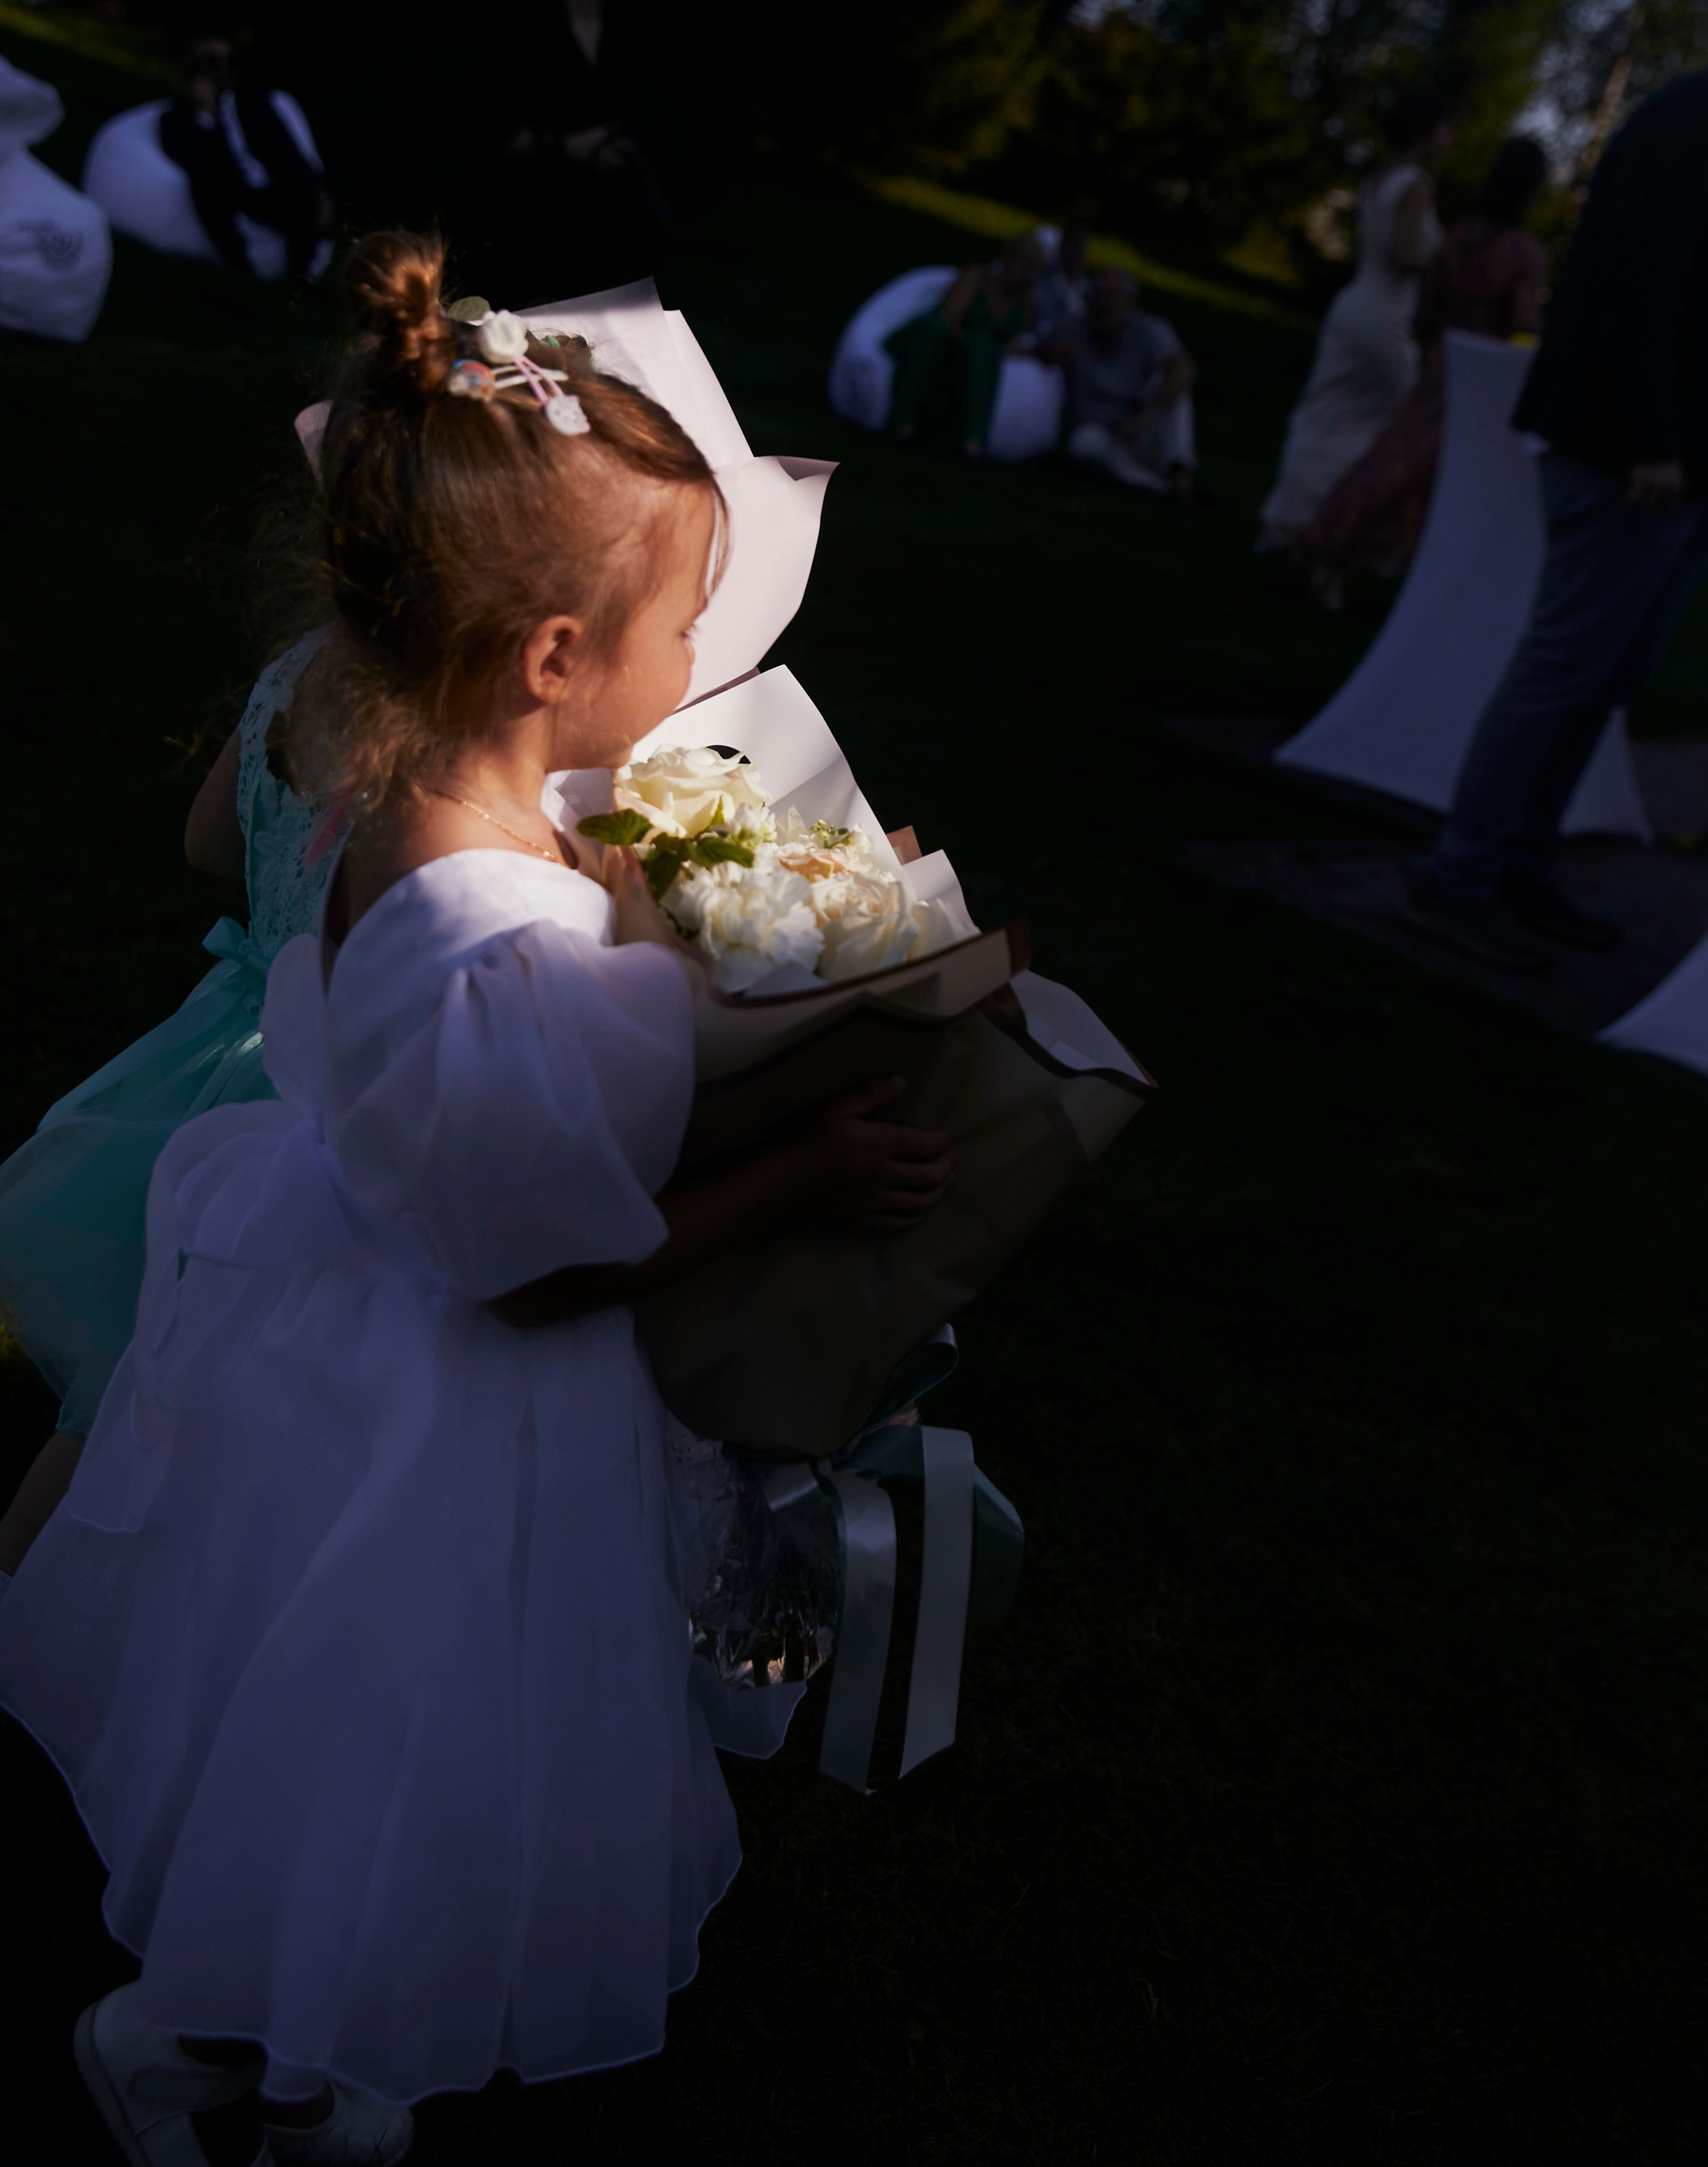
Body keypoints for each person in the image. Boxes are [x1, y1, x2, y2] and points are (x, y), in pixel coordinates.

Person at [0, 234, 955, 2162]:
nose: (703, 664)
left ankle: (324, 2055)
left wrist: (796, 952)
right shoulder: (487, 930)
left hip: (342, 1329)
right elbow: (540, 1275)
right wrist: (802, 1167)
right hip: (448, 1416)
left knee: (358, 1747)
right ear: (553, 658)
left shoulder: (443, 807)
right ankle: (224, 2045)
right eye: (684, 624)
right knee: (393, 1748)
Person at [0, 618, 339, 1581]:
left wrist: (282, 890)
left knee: (146, 1352)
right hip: (316, 1069)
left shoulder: (299, 663)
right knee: (201, 1364)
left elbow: (204, 844)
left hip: (232, 1027)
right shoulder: (457, 705)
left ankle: (34, 1565)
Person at [1408, 74, 1708, 969]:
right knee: (1565, 668)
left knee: (1612, 674)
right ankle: (1459, 874)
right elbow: (1635, 287)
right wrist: (1652, 440)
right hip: (1632, 459)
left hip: (1684, 469)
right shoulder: (1688, 121)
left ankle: (1521, 863)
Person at [1300, 137, 1550, 604]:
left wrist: (1432, 343)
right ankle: (1342, 546)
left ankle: (1351, 549)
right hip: (1485, 377)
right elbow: (1522, 324)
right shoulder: (1523, 255)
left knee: (1399, 458)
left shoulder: (1460, 237)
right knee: (1418, 472)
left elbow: (1428, 305)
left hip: (1442, 360)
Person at [1259, 95, 1452, 548]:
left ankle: (1286, 521)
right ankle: (1338, 530)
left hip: (1352, 307)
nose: (1448, 142)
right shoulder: (1416, 184)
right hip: (1388, 317)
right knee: (1386, 425)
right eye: (1445, 131)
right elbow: (1403, 255)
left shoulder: (1375, 180)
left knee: (1326, 413)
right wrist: (1445, 272)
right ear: (1427, 134)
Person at [484, 0, 667, 304]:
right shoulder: (522, 28)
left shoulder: (630, 33)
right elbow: (484, 129)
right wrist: (568, 147)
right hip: (528, 238)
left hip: (607, 243)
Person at [157, 37, 334, 282]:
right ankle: (241, 267)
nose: (220, 69)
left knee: (299, 187)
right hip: (231, 188)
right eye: (211, 62)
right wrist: (207, 118)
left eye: (226, 61)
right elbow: (193, 159)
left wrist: (319, 191)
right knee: (207, 183)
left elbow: (288, 150)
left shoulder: (256, 105)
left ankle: (302, 270)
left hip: (272, 188)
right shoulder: (178, 117)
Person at [885, 232, 1045, 457]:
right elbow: (949, 318)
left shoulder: (1029, 302)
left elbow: (1017, 341)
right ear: (1009, 259)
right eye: (1026, 264)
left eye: (1037, 268)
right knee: (937, 331)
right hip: (941, 341)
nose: (1029, 273)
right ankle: (904, 422)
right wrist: (974, 346)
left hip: (978, 357)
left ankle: (971, 440)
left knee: (984, 350)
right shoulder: (977, 277)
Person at [1048, 265, 1197, 494]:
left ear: (1129, 303)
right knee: (1085, 445)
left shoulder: (1149, 329)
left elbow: (1182, 368)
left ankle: (1179, 470)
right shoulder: (1073, 329)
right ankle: (1160, 488)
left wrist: (1145, 417)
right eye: (1096, 294)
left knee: (1176, 392)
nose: (1100, 303)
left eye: (1110, 297)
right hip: (1100, 434)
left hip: (1140, 429)